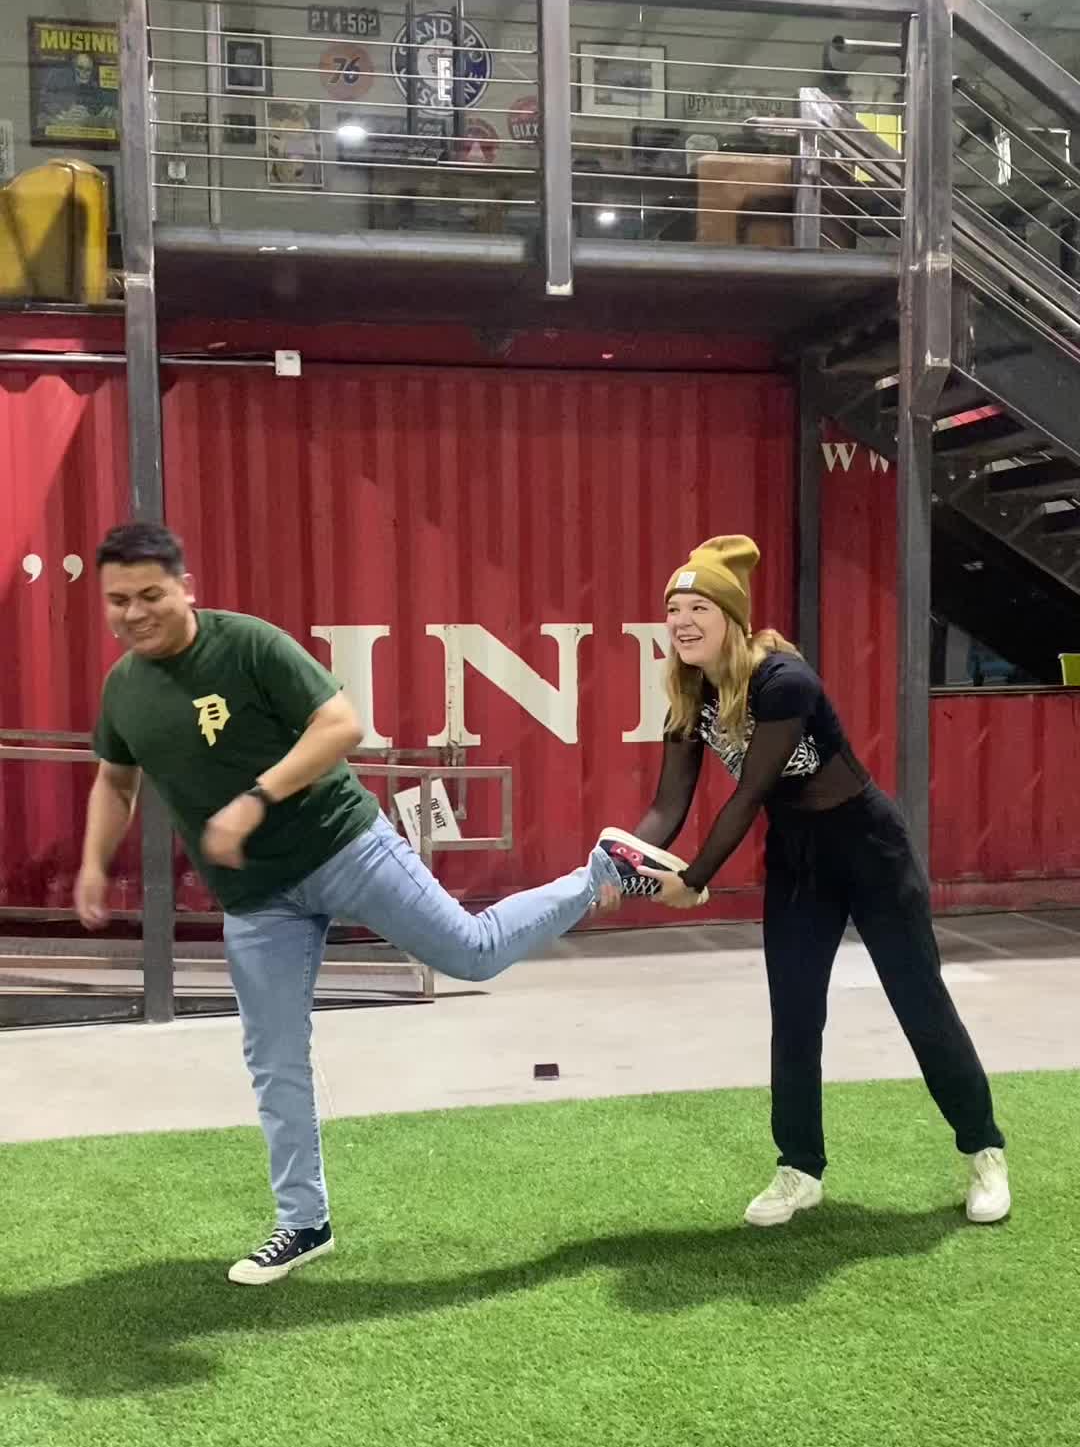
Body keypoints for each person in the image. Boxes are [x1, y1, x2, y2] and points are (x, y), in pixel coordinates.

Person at [77, 523, 622, 1286]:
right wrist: (92, 864)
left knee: (471, 952)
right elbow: (115, 781)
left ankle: (599, 871)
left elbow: (341, 725)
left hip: (344, 845)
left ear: (185, 588)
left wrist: (256, 798)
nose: (134, 613)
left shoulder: (248, 645)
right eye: (117, 601)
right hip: (255, 896)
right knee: (273, 1056)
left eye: (149, 595)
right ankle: (303, 1223)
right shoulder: (124, 691)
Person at [597, 534, 1010, 1229]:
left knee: (919, 1004)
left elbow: (751, 792)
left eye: (699, 608)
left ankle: (984, 1150)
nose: (682, 622)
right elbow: (668, 806)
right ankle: (800, 1169)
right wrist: (620, 867)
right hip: (798, 862)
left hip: (870, 851)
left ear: (731, 616)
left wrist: (694, 880)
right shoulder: (689, 692)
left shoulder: (783, 680)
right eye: (673, 610)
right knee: (794, 1015)